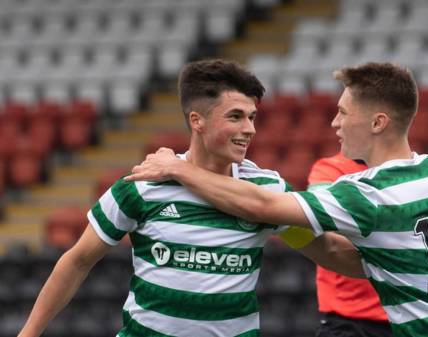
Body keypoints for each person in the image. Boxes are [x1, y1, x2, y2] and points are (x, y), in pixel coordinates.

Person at [125, 62, 428, 337]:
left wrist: (179, 168)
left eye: (343, 112)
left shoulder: (365, 196)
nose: (335, 123)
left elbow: (262, 207)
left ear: (377, 122)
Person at [18, 59, 364, 337]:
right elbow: (77, 261)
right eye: (235, 116)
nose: (249, 129)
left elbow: (329, 251)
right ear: (197, 120)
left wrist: (403, 267)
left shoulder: (267, 190)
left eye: (252, 117)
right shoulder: (143, 184)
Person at [307, 153, 392, 337]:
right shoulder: (329, 168)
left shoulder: (412, 171)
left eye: (342, 120)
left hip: (408, 316)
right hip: (350, 320)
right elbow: (326, 224)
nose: (336, 123)